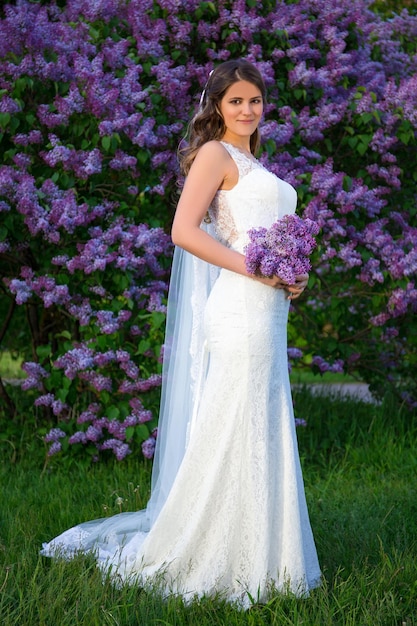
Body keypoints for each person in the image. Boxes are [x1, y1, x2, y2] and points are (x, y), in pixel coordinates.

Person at [41, 59, 321, 608]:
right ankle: (210, 551)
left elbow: (257, 235)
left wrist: (291, 273)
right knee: (234, 419)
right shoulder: (215, 154)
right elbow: (183, 231)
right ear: (217, 105)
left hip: (266, 308)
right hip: (239, 308)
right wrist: (256, 268)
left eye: (256, 101)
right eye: (236, 100)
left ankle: (266, 553)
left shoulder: (250, 160)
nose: (247, 110)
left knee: (261, 419)